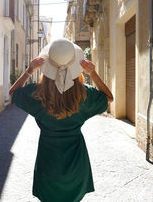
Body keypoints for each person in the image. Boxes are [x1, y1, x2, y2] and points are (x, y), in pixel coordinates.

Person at [9, 38, 113, 202]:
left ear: (47, 67)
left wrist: (29, 70)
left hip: (48, 161)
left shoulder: (37, 95)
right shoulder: (84, 94)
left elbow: (12, 94)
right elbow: (109, 98)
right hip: (76, 161)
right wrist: (92, 73)